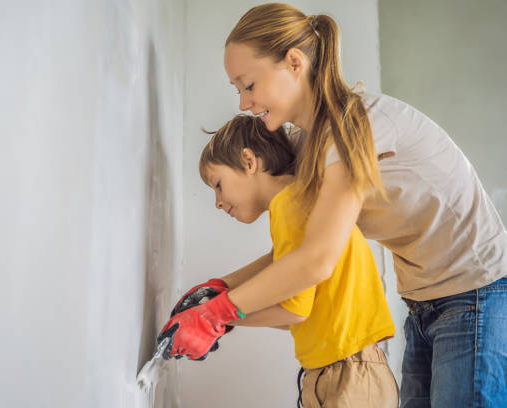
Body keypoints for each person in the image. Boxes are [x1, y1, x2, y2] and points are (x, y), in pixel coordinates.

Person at [159, 3, 507, 407]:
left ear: (293, 63)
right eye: (237, 90)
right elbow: (291, 254)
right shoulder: (309, 144)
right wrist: (220, 288)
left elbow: (317, 259)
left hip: (476, 292)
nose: (243, 103)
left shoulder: (352, 124)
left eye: (249, 85)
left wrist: (218, 312)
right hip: (422, 301)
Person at [161, 114, 398, 407]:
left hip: (349, 375)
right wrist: (218, 289)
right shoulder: (299, 201)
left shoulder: (289, 206)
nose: (218, 202)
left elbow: (293, 311)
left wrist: (214, 319)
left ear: (249, 161)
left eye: (218, 185)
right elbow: (283, 275)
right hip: (346, 370)